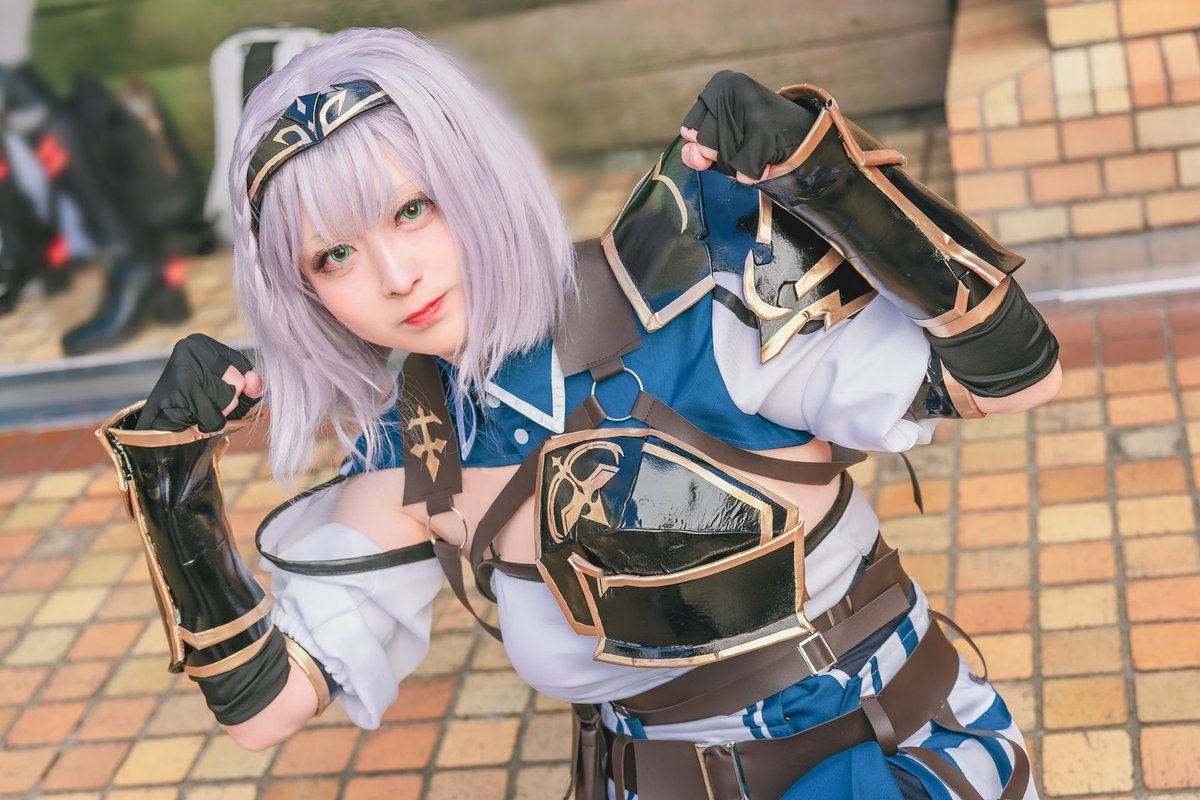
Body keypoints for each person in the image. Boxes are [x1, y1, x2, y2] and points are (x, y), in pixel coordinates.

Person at [97, 27, 1060, 800]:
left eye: (413, 209)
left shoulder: (694, 295)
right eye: (333, 256)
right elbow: (266, 711)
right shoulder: (417, 444)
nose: (394, 277)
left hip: (872, 763)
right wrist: (171, 478)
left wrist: (830, 180)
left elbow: (1016, 378)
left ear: (477, 180)